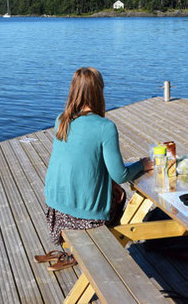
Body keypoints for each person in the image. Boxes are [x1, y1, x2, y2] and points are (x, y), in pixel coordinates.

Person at [36, 67, 153, 271]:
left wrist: (110, 183)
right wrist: (143, 164)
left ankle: (70, 250)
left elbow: (84, 163)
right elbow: (120, 174)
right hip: (84, 219)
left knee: (112, 189)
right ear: (99, 92)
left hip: (55, 213)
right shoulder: (104, 127)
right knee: (119, 197)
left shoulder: (61, 120)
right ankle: (102, 252)